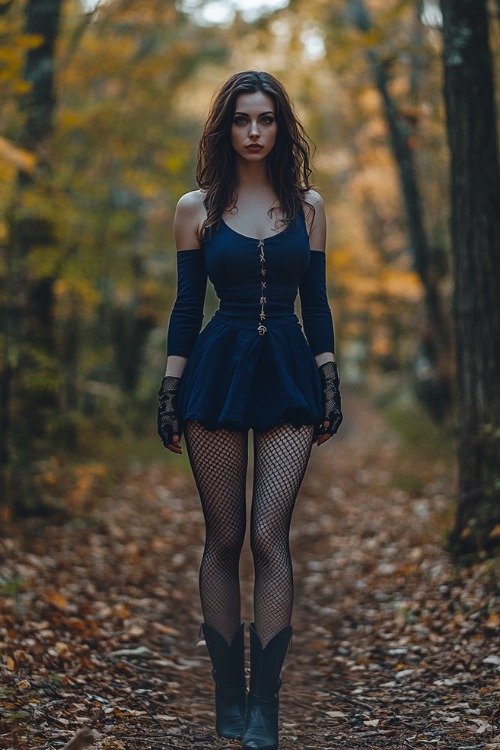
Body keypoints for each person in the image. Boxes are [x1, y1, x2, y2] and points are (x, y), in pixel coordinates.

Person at [157, 70, 342, 750]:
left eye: (266, 119)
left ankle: (265, 706)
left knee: (270, 537)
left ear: (282, 127)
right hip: (215, 373)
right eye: (243, 120)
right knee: (224, 539)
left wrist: (329, 376)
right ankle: (227, 698)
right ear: (226, 128)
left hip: (289, 372)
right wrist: (170, 389)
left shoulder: (310, 206)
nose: (255, 131)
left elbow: (316, 305)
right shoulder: (195, 207)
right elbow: (185, 309)